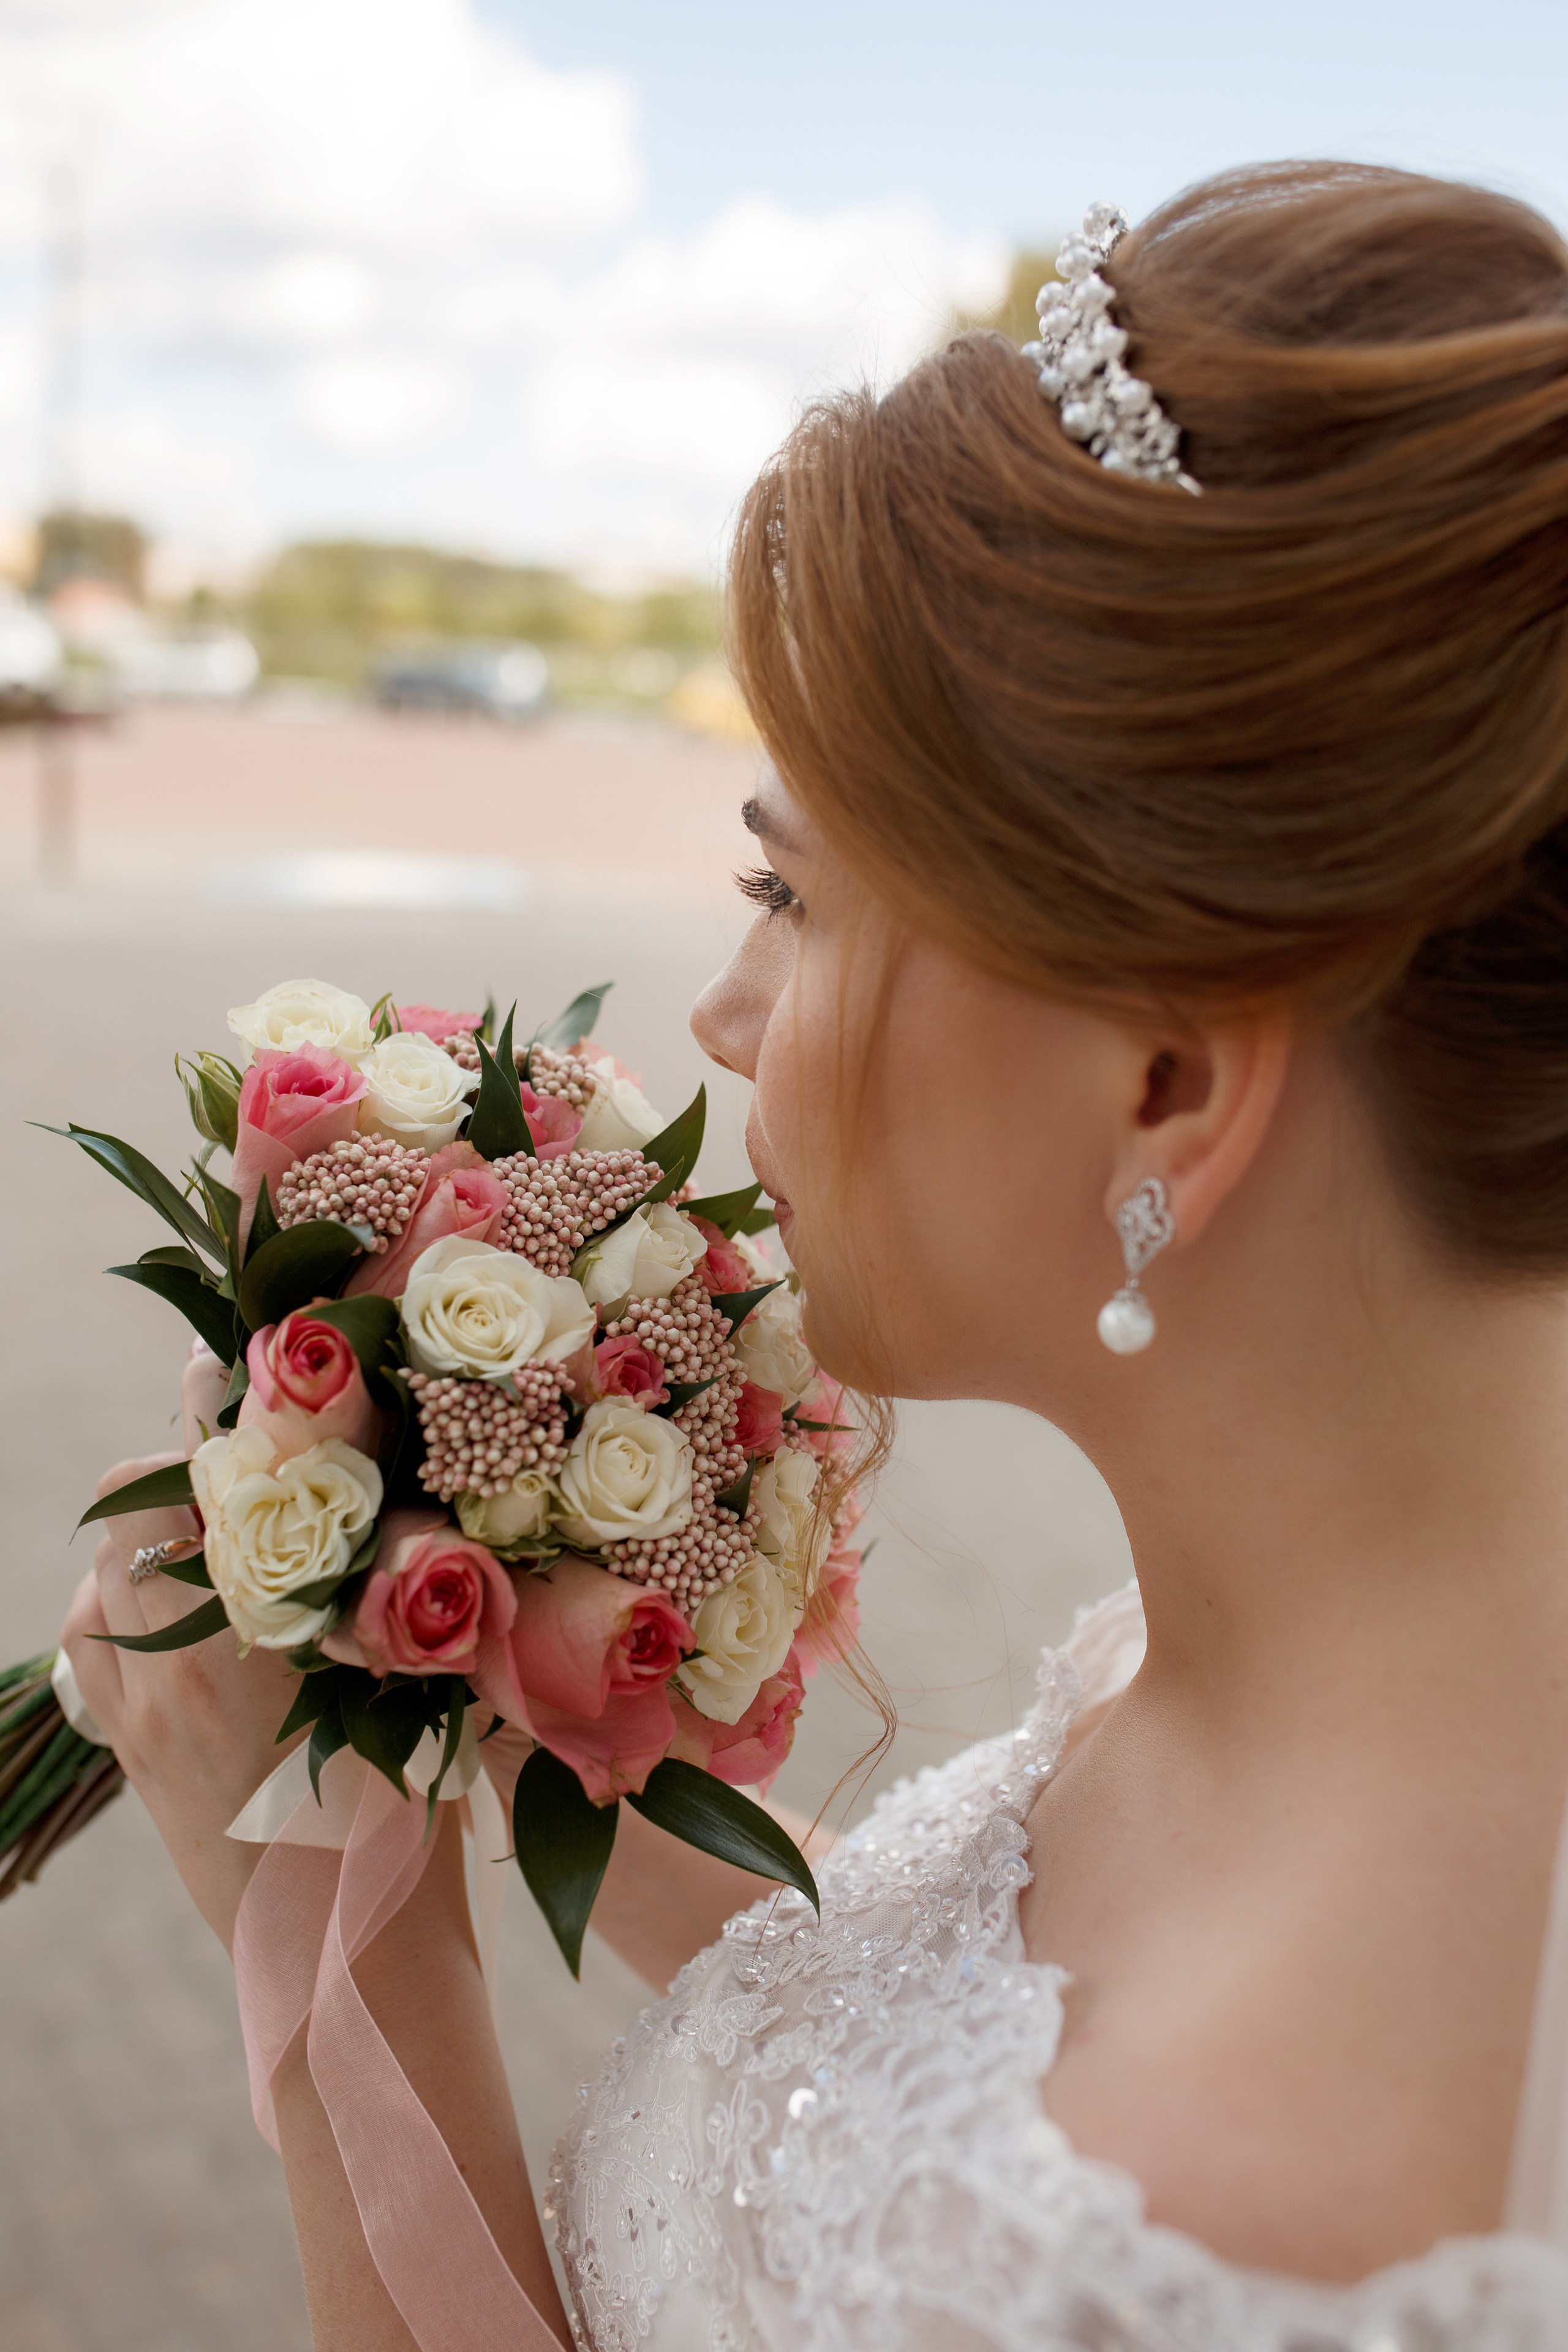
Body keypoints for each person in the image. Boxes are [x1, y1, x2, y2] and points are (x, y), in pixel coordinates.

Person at [62, 156, 1568, 2348]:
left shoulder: (1211, 2212)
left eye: (796, 897)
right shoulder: (1318, 1651)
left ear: (1168, 1086)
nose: (725, 1017)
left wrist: (332, 1949)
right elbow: (923, 2044)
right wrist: (501, 1689)